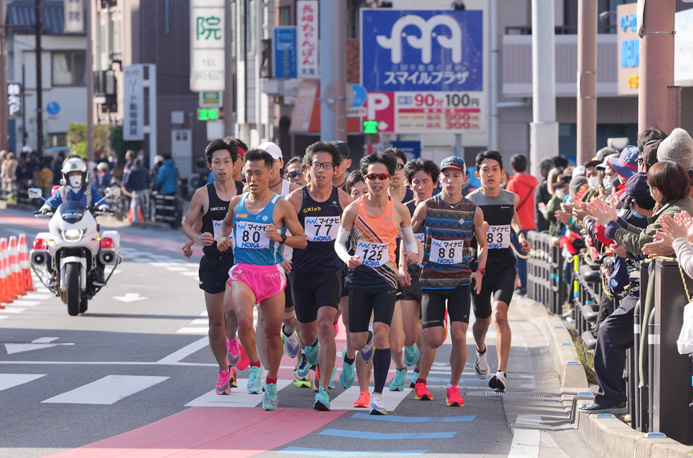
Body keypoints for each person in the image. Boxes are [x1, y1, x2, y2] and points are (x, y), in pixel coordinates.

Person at [216, 149, 307, 410]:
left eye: (258, 173)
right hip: (243, 270)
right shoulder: (237, 202)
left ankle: (272, 380)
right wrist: (224, 238)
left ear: (271, 173)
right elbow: (225, 225)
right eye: (248, 173)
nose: (253, 178)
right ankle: (255, 366)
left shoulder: (281, 205)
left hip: (270, 274)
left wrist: (281, 238)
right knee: (244, 319)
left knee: (271, 334)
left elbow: (302, 240)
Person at [335, 152, 419, 415]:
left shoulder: (399, 209)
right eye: (372, 176)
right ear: (365, 178)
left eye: (382, 176)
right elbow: (339, 242)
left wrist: (412, 253)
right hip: (359, 279)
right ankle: (366, 339)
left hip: (386, 281)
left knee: (383, 332)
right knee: (359, 342)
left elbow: (409, 239)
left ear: (391, 178)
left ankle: (378, 396)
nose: (377, 181)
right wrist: (347, 256)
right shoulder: (353, 209)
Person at [409, 156, 487, 407]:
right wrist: (406, 260)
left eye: (456, 175)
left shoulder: (474, 210)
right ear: (439, 178)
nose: (450, 180)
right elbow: (408, 236)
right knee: (433, 339)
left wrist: (480, 271)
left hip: (460, 282)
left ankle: (454, 387)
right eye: (446, 175)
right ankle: (421, 380)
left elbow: (484, 245)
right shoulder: (426, 207)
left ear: (465, 179)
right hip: (431, 281)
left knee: (459, 335)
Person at [577, 173, 654, 414]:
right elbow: (640, 242)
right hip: (647, 287)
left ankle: (612, 397)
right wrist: (612, 224)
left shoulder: (670, 212)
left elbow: (641, 244)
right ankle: (613, 396)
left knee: (608, 331)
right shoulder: (667, 210)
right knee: (608, 330)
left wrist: (611, 225)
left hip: (652, 290)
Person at [286, 142, 352, 410]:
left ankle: (322, 390)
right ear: (307, 168)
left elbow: (359, 234)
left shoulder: (344, 201)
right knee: (309, 335)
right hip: (301, 273)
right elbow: (281, 233)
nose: (322, 170)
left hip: (330, 271)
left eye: (327, 166)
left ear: (336, 169)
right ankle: (309, 354)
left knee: (326, 326)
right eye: (317, 165)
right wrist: (281, 258)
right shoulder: (296, 199)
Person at [182, 139, 247, 396]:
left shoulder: (246, 191)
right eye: (216, 162)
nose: (222, 167)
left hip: (240, 261)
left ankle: (234, 340)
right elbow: (187, 223)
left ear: (235, 164)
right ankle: (223, 370)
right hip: (212, 262)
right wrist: (198, 239)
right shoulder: (202, 194)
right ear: (209, 165)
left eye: (227, 162)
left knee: (236, 313)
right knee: (215, 322)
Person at [467, 150, 531, 393]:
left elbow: (513, 218)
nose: (490, 173)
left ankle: (501, 373)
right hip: (480, 267)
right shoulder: (471, 201)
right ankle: (481, 349)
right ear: (477, 174)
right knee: (482, 322)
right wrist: (477, 231)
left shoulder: (510, 198)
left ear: (502, 173)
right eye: (485, 169)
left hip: (504, 262)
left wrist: (521, 234)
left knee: (500, 314)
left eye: (495, 169)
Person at [256, 142, 301, 362]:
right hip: (262, 265)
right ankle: (262, 373)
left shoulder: (293, 193)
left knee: (293, 317)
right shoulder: (249, 193)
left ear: (281, 163)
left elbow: (301, 235)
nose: (268, 167)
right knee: (262, 319)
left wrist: (282, 254)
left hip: (291, 264)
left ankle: (289, 331)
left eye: (272, 162)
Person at [399, 159, 439, 389]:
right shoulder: (402, 209)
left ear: (434, 183)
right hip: (409, 275)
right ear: (409, 184)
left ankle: (420, 375)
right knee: (408, 332)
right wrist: (401, 266)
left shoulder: (443, 209)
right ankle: (411, 351)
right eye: (416, 182)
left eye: (425, 182)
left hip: (435, 276)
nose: (421, 186)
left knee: (428, 329)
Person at [339, 170, 375, 408]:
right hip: (346, 273)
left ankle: (364, 391)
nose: (361, 197)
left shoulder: (379, 214)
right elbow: (338, 243)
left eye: (365, 192)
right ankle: (349, 357)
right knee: (350, 324)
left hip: (373, 276)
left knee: (366, 331)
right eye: (355, 193)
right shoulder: (347, 214)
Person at [506, 154, 538, 296]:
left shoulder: (513, 183)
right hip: (531, 223)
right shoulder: (534, 182)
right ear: (526, 166)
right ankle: (529, 285)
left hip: (517, 225)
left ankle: (523, 285)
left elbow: (509, 206)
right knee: (528, 257)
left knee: (519, 257)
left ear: (512, 168)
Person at [155, 154, 181, 228]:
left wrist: (157, 186)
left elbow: (159, 180)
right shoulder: (175, 168)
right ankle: (173, 221)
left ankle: (167, 221)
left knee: (166, 207)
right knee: (173, 207)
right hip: (174, 190)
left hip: (165, 190)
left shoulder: (163, 168)